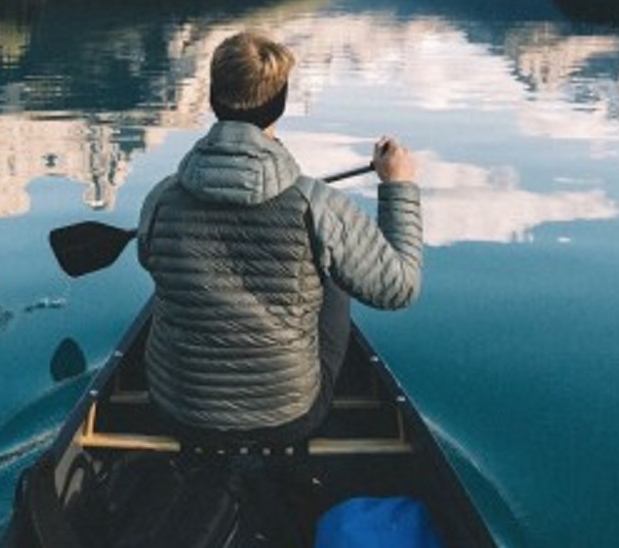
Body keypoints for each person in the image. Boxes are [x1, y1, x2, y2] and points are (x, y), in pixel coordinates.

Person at [135, 30, 423, 446]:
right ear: (281, 103)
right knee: (333, 282)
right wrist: (398, 186)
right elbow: (400, 288)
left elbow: (149, 259)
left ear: (214, 98)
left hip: (175, 410)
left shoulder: (160, 198)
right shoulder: (318, 206)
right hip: (288, 417)